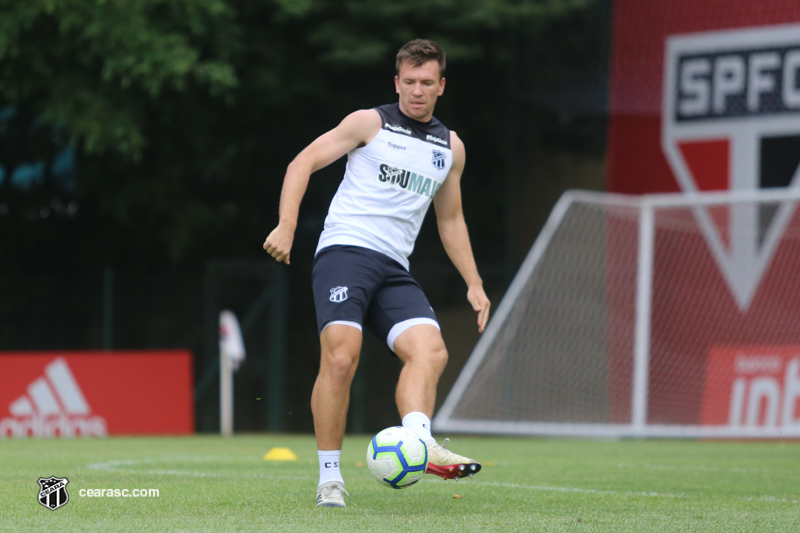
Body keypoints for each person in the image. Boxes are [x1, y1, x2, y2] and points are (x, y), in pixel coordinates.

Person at [263, 38, 491, 508]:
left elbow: (450, 220)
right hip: (345, 252)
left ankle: (419, 443)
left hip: (393, 267)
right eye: (409, 81)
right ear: (397, 81)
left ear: (441, 86)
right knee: (342, 358)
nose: (417, 91)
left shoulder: (450, 148)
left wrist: (474, 281)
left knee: (431, 351)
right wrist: (286, 225)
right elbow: (302, 161)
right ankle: (330, 478)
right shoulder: (371, 122)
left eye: (427, 82)